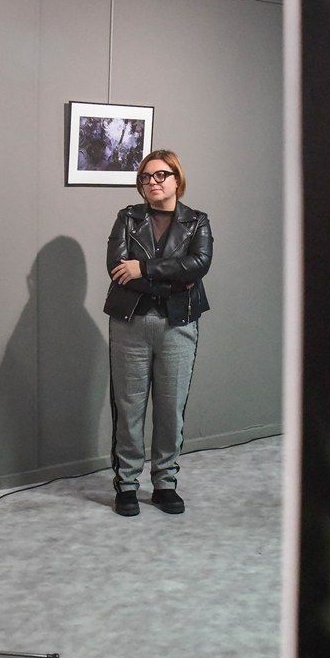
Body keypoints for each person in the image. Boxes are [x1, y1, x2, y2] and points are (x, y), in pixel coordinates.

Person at [104, 150, 213, 516]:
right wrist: (170, 279)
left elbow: (198, 265)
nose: (153, 182)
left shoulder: (197, 222)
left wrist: (145, 269)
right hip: (129, 324)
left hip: (178, 326)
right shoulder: (127, 219)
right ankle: (128, 486)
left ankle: (165, 483)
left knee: (171, 410)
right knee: (129, 407)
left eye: (161, 175)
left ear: (177, 179)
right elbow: (116, 269)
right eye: (146, 177)